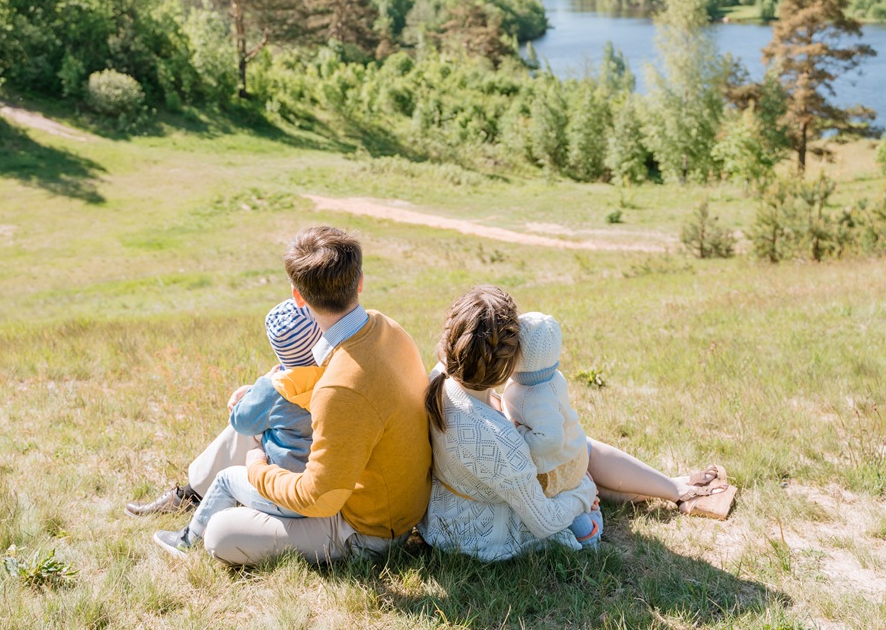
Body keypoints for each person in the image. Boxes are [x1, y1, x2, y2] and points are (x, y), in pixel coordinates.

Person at [129, 226, 433, 565]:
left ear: (298, 296)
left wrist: (258, 469)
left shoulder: (341, 389)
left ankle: (218, 503)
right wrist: (271, 390)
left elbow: (318, 498)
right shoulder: (385, 327)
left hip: (367, 530)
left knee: (220, 534)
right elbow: (359, 393)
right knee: (255, 417)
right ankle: (193, 492)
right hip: (391, 499)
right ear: (360, 281)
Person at [420, 285, 729, 561]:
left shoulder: (444, 375)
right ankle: (676, 491)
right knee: (578, 467)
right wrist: (580, 496)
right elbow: (543, 521)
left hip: (462, 498)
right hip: (481, 533)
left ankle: (675, 488)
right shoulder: (499, 441)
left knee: (575, 448)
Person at [152, 299, 323, 557]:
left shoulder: (275, 388)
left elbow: (241, 422)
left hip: (283, 492)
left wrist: (257, 388)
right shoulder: (330, 377)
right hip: (320, 488)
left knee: (225, 478)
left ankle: (188, 540)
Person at [502, 311, 602, 547]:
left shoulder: (535, 397)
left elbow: (550, 440)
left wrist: (520, 433)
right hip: (574, 453)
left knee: (564, 505)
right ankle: (585, 494)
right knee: (575, 488)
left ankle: (590, 532)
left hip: (555, 469)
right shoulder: (553, 378)